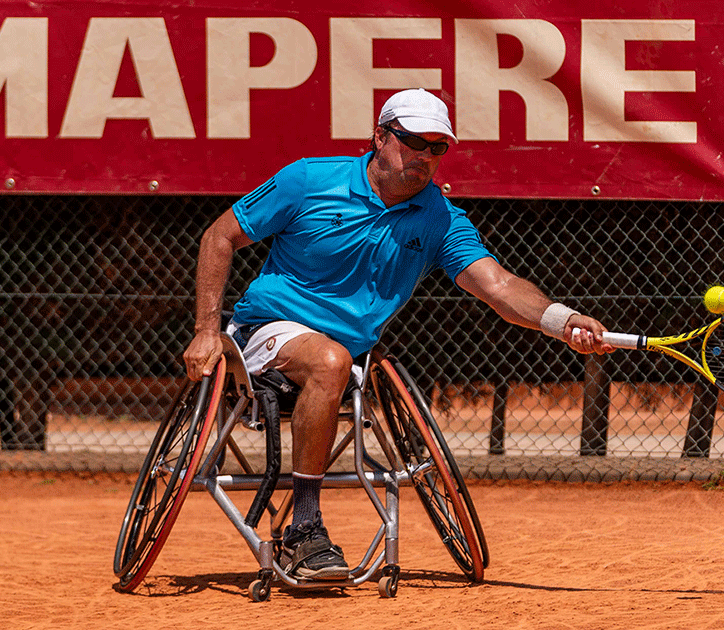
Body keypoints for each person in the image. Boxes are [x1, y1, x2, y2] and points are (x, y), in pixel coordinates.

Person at [183, 88, 613, 581]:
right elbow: (220, 235)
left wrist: (562, 319)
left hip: (350, 353)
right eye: (413, 142)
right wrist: (205, 331)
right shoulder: (307, 180)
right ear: (380, 136)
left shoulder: (440, 219)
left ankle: (300, 524)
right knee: (330, 361)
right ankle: (304, 528)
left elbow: (498, 286)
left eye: (438, 148)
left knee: (335, 360)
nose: (425, 157)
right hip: (264, 331)